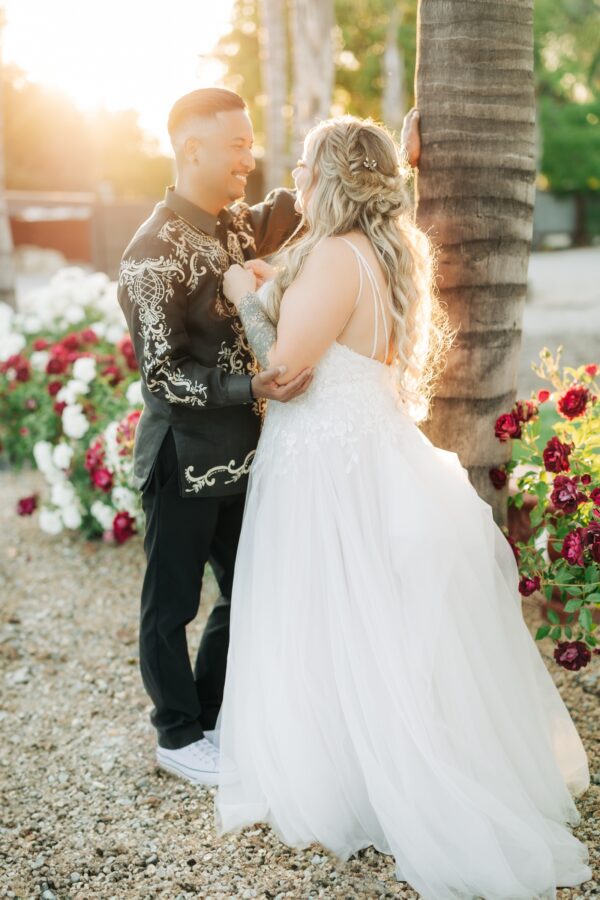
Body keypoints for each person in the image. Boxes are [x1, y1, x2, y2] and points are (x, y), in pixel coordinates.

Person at [213, 115, 592, 898]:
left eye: (308, 167)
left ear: (335, 181)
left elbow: (285, 369)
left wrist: (241, 293)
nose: (298, 178)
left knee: (329, 612)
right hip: (370, 448)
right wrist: (396, 151)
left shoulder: (330, 256)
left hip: (324, 460)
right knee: (370, 615)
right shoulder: (384, 249)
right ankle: (365, 757)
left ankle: (348, 778)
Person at [117, 88, 312, 785]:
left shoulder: (234, 225)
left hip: (246, 451)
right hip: (183, 460)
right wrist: (250, 387)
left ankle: (211, 713)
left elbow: (301, 202)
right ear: (190, 149)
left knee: (247, 589)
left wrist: (389, 158)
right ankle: (175, 735)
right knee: (172, 604)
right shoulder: (149, 257)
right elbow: (164, 376)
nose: (248, 158)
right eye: (236, 145)